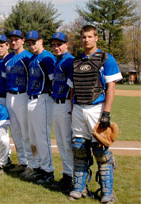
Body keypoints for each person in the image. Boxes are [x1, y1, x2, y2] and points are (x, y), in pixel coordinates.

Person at [69, 25, 122, 204]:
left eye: (90, 37)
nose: (86, 40)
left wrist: (106, 113)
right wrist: (71, 110)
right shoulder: (75, 61)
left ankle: (107, 191)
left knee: (100, 149)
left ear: (96, 38)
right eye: (83, 37)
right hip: (78, 108)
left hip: (96, 108)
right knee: (79, 148)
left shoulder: (106, 58)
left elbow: (111, 86)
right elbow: (72, 89)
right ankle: (79, 187)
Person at [25, 30, 56, 184]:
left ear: (41, 41)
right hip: (31, 99)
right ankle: (38, 167)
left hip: (43, 99)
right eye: (29, 43)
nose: (32, 45)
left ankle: (48, 170)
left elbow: (53, 81)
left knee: (42, 137)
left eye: (34, 42)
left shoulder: (47, 58)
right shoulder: (32, 59)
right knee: (33, 137)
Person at [3, 30, 35, 175]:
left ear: (23, 40)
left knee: (25, 131)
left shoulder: (28, 57)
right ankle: (22, 162)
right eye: (12, 40)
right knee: (15, 131)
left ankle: (30, 163)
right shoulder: (8, 58)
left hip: (22, 95)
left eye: (16, 39)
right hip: (9, 95)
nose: (14, 42)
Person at [50, 32, 74, 189]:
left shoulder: (70, 61)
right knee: (60, 141)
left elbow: (73, 88)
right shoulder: (58, 61)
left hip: (65, 104)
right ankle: (66, 174)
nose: (56, 47)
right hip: (56, 104)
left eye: (59, 44)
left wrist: (71, 109)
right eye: (54, 45)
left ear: (67, 44)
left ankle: (72, 176)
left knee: (67, 142)